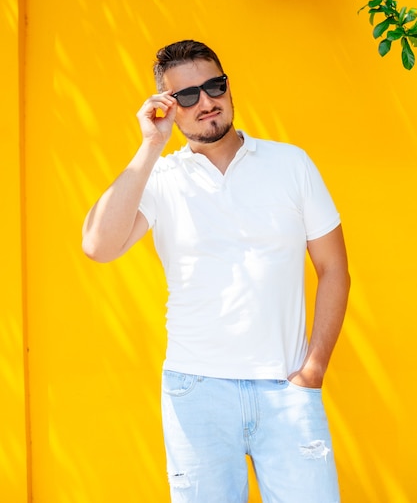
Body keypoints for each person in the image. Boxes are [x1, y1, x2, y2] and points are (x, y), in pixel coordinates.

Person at [82, 39, 350, 503]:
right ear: (169, 107)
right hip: (196, 391)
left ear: (228, 87)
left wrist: (313, 369)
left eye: (214, 86)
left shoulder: (290, 164)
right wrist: (151, 145)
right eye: (186, 95)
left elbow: (334, 269)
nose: (205, 102)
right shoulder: (162, 179)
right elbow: (97, 245)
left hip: (286, 386)